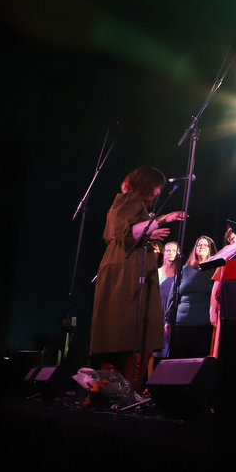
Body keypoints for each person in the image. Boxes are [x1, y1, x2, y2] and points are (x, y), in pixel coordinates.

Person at [90, 166, 185, 387]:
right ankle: (123, 389)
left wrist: (150, 232)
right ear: (146, 184)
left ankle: (120, 388)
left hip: (125, 267)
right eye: (157, 186)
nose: (158, 192)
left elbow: (130, 232)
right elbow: (128, 232)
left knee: (124, 330)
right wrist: (164, 219)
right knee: (127, 329)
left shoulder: (130, 203)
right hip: (127, 270)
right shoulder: (129, 200)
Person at [165, 236, 216, 358]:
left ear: (211, 249)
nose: (201, 247)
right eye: (199, 245)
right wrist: (168, 319)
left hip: (203, 326)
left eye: (205, 245)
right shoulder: (185, 270)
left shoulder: (215, 271)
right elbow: (173, 296)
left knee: (198, 363)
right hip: (181, 324)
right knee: (178, 362)